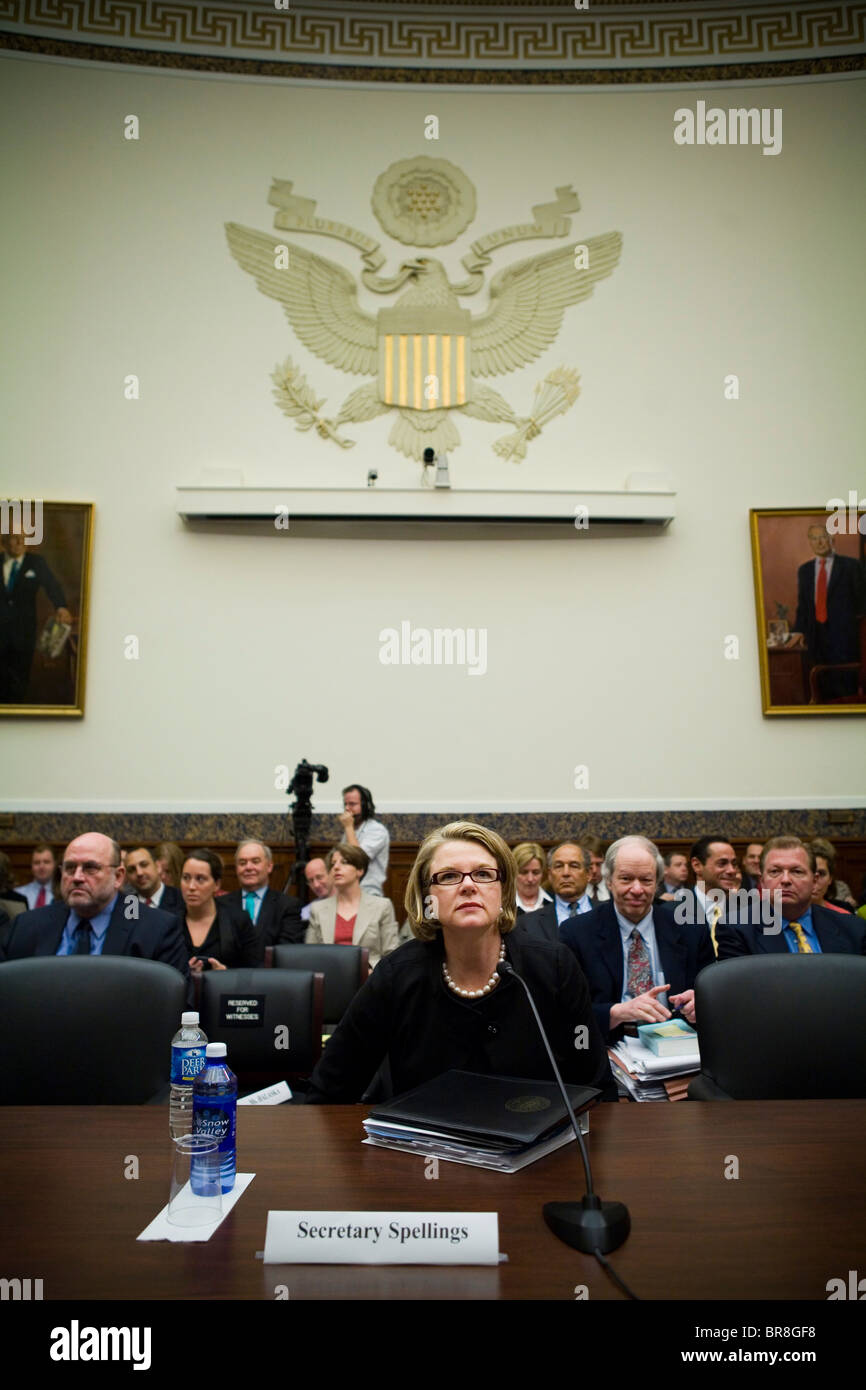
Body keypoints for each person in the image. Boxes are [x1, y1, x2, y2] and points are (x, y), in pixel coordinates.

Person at [305, 821, 615, 1103]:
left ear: (503, 890)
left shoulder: (555, 967)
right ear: (428, 898)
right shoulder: (395, 976)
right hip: (424, 1156)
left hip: (535, 1154)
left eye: (483, 874)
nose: (468, 885)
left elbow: (595, 1087)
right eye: (449, 876)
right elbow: (330, 1089)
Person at [560, 835, 715, 1045]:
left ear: (658, 883)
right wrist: (616, 1012)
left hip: (679, 1047)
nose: (636, 889)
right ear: (609, 881)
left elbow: (711, 994)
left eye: (646, 880)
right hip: (607, 1047)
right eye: (626, 879)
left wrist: (701, 1003)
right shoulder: (577, 933)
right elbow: (566, 1010)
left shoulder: (690, 929)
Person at [1, 832, 188, 978]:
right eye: (70, 868)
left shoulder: (156, 929)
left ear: (118, 876)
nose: (77, 877)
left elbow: (171, 1007)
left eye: (90, 868)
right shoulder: (25, 926)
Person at [717, 837, 866, 957]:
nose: (786, 880)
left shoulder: (853, 929)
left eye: (797, 871)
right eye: (775, 871)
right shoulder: (737, 930)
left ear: (814, 881)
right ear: (762, 881)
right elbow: (738, 991)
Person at [787, 523, 865, 700]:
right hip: (816, 642)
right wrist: (799, 631)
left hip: (845, 643)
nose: (819, 542)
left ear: (832, 540)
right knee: (820, 694)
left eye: (823, 537)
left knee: (846, 695)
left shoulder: (852, 566)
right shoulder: (805, 571)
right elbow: (804, 606)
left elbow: (862, 604)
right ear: (810, 543)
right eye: (814, 538)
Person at [0, 526, 73, 703]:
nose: (20, 542)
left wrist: (61, 607)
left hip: (24, 632)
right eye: (15, 537)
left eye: (24, 538)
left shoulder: (36, 563)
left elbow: (52, 586)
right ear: (4, 542)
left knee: (20, 677)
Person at [306, 844, 398, 969]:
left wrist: (375, 975)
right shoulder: (318, 909)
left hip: (371, 980)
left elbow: (392, 954)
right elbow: (309, 955)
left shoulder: (382, 906)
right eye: (333, 864)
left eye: (344, 862)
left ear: (359, 870)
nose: (336, 867)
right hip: (329, 979)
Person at [178, 848, 262, 974]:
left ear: (216, 885)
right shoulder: (169, 921)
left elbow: (255, 972)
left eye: (200, 879)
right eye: (186, 878)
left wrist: (225, 974)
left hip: (227, 991)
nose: (191, 887)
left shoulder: (238, 920)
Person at [220, 840, 304, 944]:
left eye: (255, 861)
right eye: (242, 863)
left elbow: (287, 951)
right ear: (236, 869)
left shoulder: (287, 906)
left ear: (269, 866)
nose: (248, 867)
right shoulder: (221, 904)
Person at [677, 836, 741, 954]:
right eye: (722, 863)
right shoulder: (674, 913)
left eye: (734, 863)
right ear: (697, 865)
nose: (732, 870)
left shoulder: (745, 913)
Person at [520, 841, 593, 942]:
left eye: (574, 866)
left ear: (588, 874)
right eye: (559, 866)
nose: (565, 873)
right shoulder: (528, 923)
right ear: (550, 875)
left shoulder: (609, 914)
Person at [338, 784, 389, 896]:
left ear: (366, 806)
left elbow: (357, 859)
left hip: (368, 892)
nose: (347, 808)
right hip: (346, 891)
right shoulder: (351, 829)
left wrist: (348, 827)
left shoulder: (377, 830)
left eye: (352, 804)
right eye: (345, 804)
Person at [124, 846, 182, 913]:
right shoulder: (126, 906)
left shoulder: (181, 899)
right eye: (132, 869)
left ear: (157, 866)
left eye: (144, 865)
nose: (139, 873)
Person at [809, 837, 856, 911]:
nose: (815, 880)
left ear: (830, 878)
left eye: (821, 874)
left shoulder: (843, 914)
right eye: (811, 872)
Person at [513, 841, 551, 914]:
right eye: (524, 872)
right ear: (514, 872)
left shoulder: (555, 902)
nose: (530, 879)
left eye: (535, 873)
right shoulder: (503, 904)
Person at [19, 843, 58, 909]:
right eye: (37, 863)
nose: (41, 867)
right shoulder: (19, 894)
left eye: (46, 862)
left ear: (55, 864)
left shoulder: (62, 895)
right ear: (31, 866)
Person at [301, 856, 331, 923]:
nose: (316, 885)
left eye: (319, 877)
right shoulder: (306, 914)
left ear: (331, 874)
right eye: (311, 881)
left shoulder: (352, 904)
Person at [580, 836, 610, 904]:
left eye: (599, 864)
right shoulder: (575, 891)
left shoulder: (614, 889)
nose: (594, 870)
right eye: (590, 865)